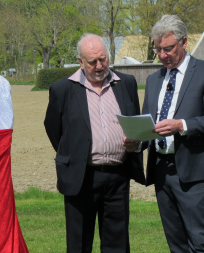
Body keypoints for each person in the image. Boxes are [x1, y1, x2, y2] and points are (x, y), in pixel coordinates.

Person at [44, 33, 144, 253]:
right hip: (81, 178)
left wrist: (134, 144)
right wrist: (75, 154)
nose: (100, 66)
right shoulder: (62, 90)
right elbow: (54, 130)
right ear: (80, 62)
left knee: (117, 244)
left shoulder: (126, 83)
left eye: (104, 59)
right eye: (93, 62)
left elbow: (135, 124)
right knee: (79, 244)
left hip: (118, 177)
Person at [141, 15, 204, 253]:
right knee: (176, 244)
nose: (162, 55)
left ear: (184, 42)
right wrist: (135, 141)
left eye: (168, 49)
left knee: (200, 243)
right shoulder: (153, 80)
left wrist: (182, 126)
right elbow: (147, 123)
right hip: (161, 170)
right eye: (158, 49)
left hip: (193, 172)